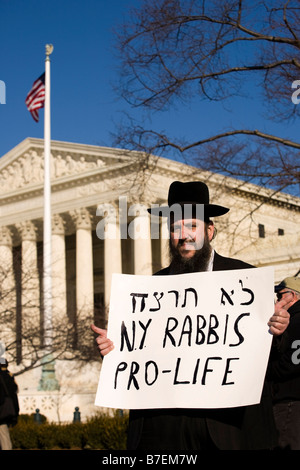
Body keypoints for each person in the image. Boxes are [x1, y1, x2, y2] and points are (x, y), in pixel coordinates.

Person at [91, 180, 290, 450]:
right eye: (175, 227)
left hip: (225, 427)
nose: (183, 235)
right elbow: (139, 353)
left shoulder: (244, 280)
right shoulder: (149, 290)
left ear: (210, 230)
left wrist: (277, 330)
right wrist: (113, 347)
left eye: (192, 226)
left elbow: (273, 359)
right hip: (164, 427)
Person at [267, 276, 300, 450]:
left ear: (293, 297)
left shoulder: (295, 321)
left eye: (280, 296)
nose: (278, 301)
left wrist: (266, 371)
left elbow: (292, 363)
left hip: (289, 402)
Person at [0, 360, 19, 450]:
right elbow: (14, 396)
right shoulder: (10, 377)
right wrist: (16, 414)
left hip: (1, 411)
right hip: (7, 412)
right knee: (5, 437)